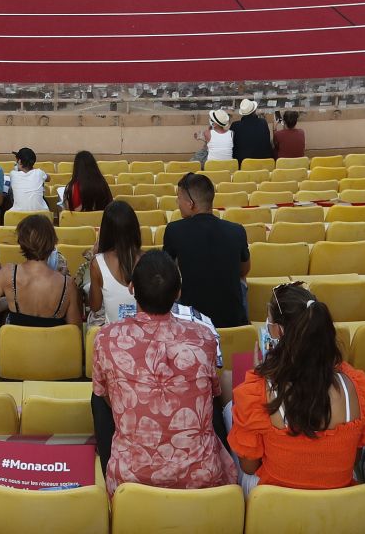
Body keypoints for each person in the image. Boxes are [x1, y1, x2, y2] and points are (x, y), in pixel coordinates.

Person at [90, 249, 237, 492]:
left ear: (131, 288)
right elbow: (210, 392)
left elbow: (107, 397)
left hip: (131, 480)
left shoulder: (107, 338)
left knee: (99, 396)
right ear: (178, 292)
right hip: (201, 478)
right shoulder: (204, 338)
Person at [229, 283, 365, 489]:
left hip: (275, 502)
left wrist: (259, 376)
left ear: (279, 331)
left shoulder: (257, 390)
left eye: (269, 322)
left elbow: (249, 466)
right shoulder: (355, 384)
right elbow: (353, 456)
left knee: (229, 412)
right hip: (338, 500)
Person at [162, 173, 251, 328]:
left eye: (179, 197)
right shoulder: (237, 231)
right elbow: (244, 270)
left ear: (190, 203)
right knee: (241, 282)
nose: (177, 202)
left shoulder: (174, 230)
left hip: (194, 326)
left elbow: (166, 272)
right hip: (235, 325)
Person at [0, 214, 81, 327]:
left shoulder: (7, 274)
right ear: (52, 242)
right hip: (52, 344)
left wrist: (9, 300)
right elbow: (75, 328)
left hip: (16, 344)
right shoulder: (67, 285)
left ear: (22, 243)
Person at [84, 200, 143, 325]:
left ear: (105, 231)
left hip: (113, 333)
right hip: (142, 331)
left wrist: (95, 256)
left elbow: (95, 306)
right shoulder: (148, 259)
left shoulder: (97, 263)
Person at [5, 147, 48, 212]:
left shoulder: (13, 174)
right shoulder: (39, 172)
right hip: (42, 214)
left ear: (19, 161)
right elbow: (48, 178)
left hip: (17, 215)